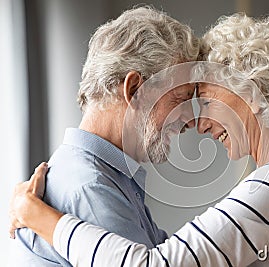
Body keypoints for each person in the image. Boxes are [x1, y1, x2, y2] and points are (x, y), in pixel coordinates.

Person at [10, 14, 269, 266]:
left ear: (250, 92)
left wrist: (37, 215)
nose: (195, 123)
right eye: (184, 99)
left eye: (203, 99)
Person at [10, 6, 200, 266]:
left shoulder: (103, 176)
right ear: (134, 90)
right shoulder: (91, 187)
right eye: (181, 97)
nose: (190, 119)